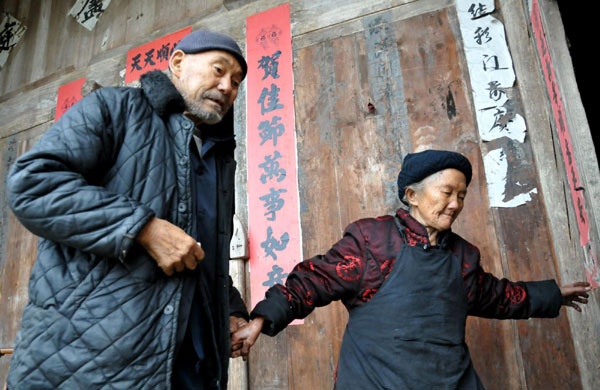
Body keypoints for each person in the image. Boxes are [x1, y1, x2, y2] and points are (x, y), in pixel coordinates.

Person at [6, 30, 251, 390]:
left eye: (236, 81)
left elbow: (198, 251)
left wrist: (227, 308)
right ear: (178, 63)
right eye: (218, 70)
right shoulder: (115, 108)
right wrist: (143, 228)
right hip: (89, 364)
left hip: (187, 370)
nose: (227, 86)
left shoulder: (217, 159)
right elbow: (32, 183)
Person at [231, 149, 591, 389]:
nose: (455, 204)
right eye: (446, 192)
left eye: (462, 195)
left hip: (450, 381)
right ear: (412, 195)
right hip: (376, 381)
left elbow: (498, 297)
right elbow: (313, 281)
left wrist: (551, 295)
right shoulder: (373, 241)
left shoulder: (463, 256)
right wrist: (262, 320)